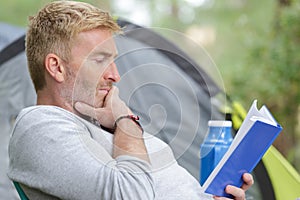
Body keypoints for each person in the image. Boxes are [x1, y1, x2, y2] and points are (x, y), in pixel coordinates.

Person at [7, 1, 253, 199]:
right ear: (56, 67)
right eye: (100, 60)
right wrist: (125, 118)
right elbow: (132, 195)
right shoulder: (40, 126)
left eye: (113, 60)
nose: (115, 75)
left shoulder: (99, 122)